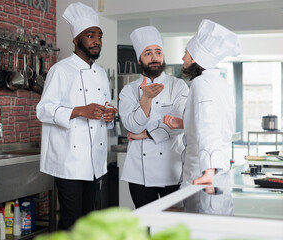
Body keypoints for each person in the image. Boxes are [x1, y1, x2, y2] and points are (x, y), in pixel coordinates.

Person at [36, 2, 117, 230]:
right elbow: (43, 110)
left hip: (94, 162)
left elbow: (102, 111)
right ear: (75, 40)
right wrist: (81, 110)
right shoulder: (60, 70)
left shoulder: (101, 74)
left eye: (99, 36)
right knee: (72, 221)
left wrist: (108, 116)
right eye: (90, 35)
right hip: (69, 162)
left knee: (88, 221)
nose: (97, 41)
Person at [163, 19, 241, 186]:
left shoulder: (201, 83)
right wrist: (185, 124)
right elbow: (217, 123)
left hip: (202, 170)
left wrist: (208, 171)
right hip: (220, 167)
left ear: (195, 58)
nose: (183, 57)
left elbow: (209, 124)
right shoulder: (220, 82)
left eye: (186, 53)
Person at [119, 26, 189, 208]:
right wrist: (146, 99)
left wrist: (146, 134)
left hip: (171, 169)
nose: (154, 58)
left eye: (158, 52)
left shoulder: (178, 86)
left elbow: (181, 122)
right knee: (144, 226)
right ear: (139, 60)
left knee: (172, 227)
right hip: (139, 173)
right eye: (148, 53)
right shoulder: (128, 90)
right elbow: (131, 126)